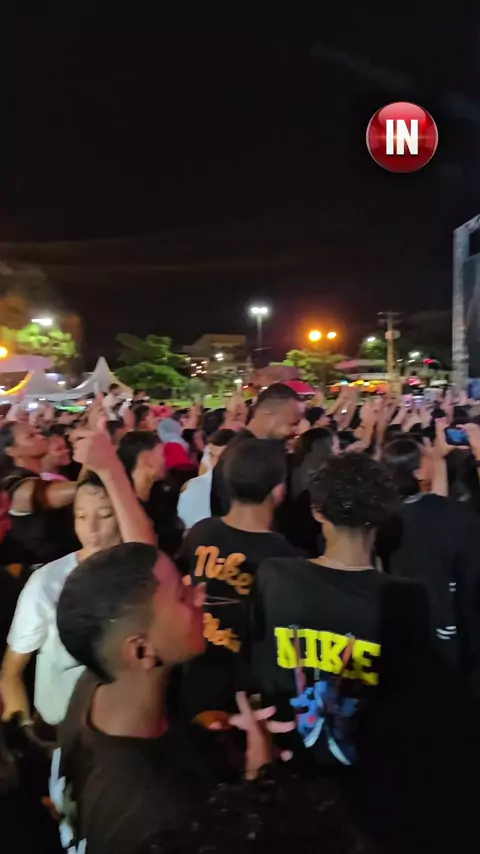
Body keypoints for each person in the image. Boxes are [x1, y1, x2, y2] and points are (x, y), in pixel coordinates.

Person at [51, 543, 356, 854]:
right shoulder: (157, 819)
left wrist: (204, 732)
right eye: (182, 597)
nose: (200, 593)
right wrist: (259, 784)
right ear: (141, 651)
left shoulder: (97, 687)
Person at [0, 432, 155, 727]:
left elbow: (145, 552)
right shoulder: (47, 582)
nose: (91, 529)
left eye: (105, 515)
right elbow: (11, 672)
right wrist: (25, 733)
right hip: (61, 730)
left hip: (126, 725)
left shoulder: (142, 578)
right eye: (81, 517)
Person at [179, 437, 299, 720]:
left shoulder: (201, 533)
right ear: (278, 489)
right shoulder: (286, 558)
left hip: (192, 682)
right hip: (249, 703)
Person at [379, 435, 480, 684]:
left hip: (407, 628)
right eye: (427, 455)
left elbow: (432, 505)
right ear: (418, 472)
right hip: (452, 629)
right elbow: (439, 510)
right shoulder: (453, 515)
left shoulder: (384, 516)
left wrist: (440, 459)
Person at [210, 383, 302, 516]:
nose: (297, 431)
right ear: (267, 415)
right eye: (293, 423)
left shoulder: (258, 448)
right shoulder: (243, 455)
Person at [0, 422, 79, 567]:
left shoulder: (37, 476)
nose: (41, 437)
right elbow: (39, 494)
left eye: (38, 432)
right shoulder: (12, 482)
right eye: (31, 436)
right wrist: (96, 478)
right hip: (45, 566)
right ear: (11, 451)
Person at [118, 430, 184, 557]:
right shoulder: (123, 506)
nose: (165, 460)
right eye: (162, 454)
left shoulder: (165, 497)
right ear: (147, 459)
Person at [177, 429, 235, 530]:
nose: (216, 463)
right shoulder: (193, 487)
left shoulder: (244, 487)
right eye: (212, 456)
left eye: (222, 458)